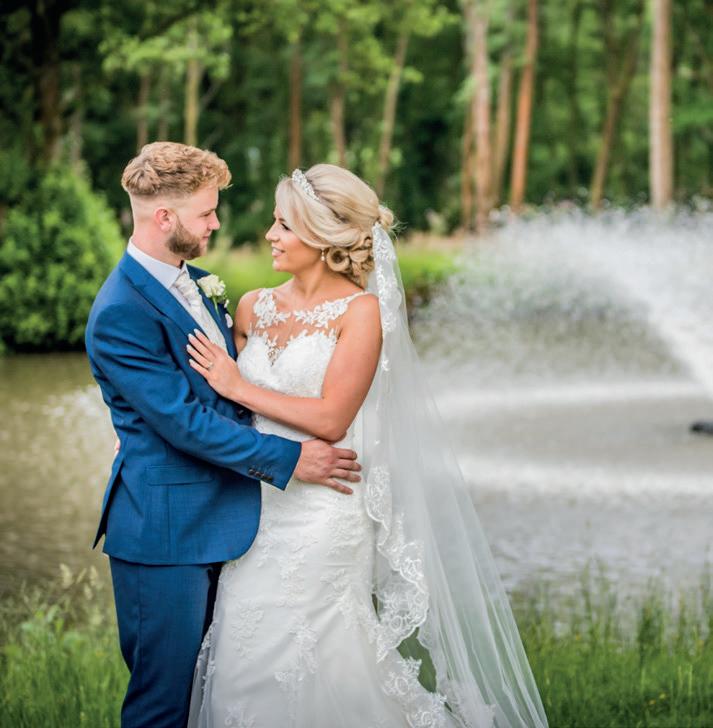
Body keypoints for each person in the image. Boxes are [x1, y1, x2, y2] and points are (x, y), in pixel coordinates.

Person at [185, 164, 549, 727]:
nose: (270, 235)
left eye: (284, 225)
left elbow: (332, 418)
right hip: (257, 508)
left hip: (324, 509)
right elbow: (223, 411)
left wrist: (240, 386)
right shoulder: (254, 306)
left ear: (322, 236)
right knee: (241, 654)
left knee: (316, 653)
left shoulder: (361, 313)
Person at [85, 143, 361, 728]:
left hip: (227, 526)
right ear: (166, 218)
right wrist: (291, 459)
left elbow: (228, 392)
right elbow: (186, 422)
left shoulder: (200, 283)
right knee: (164, 706)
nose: (216, 223)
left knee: (214, 696)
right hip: (164, 538)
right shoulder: (119, 311)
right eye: (207, 213)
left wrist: (138, 427)